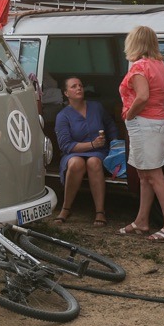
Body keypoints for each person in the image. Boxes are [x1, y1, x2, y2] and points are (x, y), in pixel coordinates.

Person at [116, 25, 164, 241]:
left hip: (144, 125)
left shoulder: (139, 67)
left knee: (154, 176)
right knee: (144, 175)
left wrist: (130, 114)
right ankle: (142, 221)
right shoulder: (159, 65)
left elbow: (142, 97)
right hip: (157, 122)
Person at [54, 77, 113, 226]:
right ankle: (66, 208)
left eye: (80, 85)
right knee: (75, 163)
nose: (79, 88)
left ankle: (100, 211)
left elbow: (110, 125)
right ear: (66, 93)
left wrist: (115, 144)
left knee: (93, 162)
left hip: (99, 151)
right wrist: (92, 144)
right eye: (74, 86)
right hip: (74, 152)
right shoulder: (63, 116)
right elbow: (66, 146)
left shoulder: (96, 107)